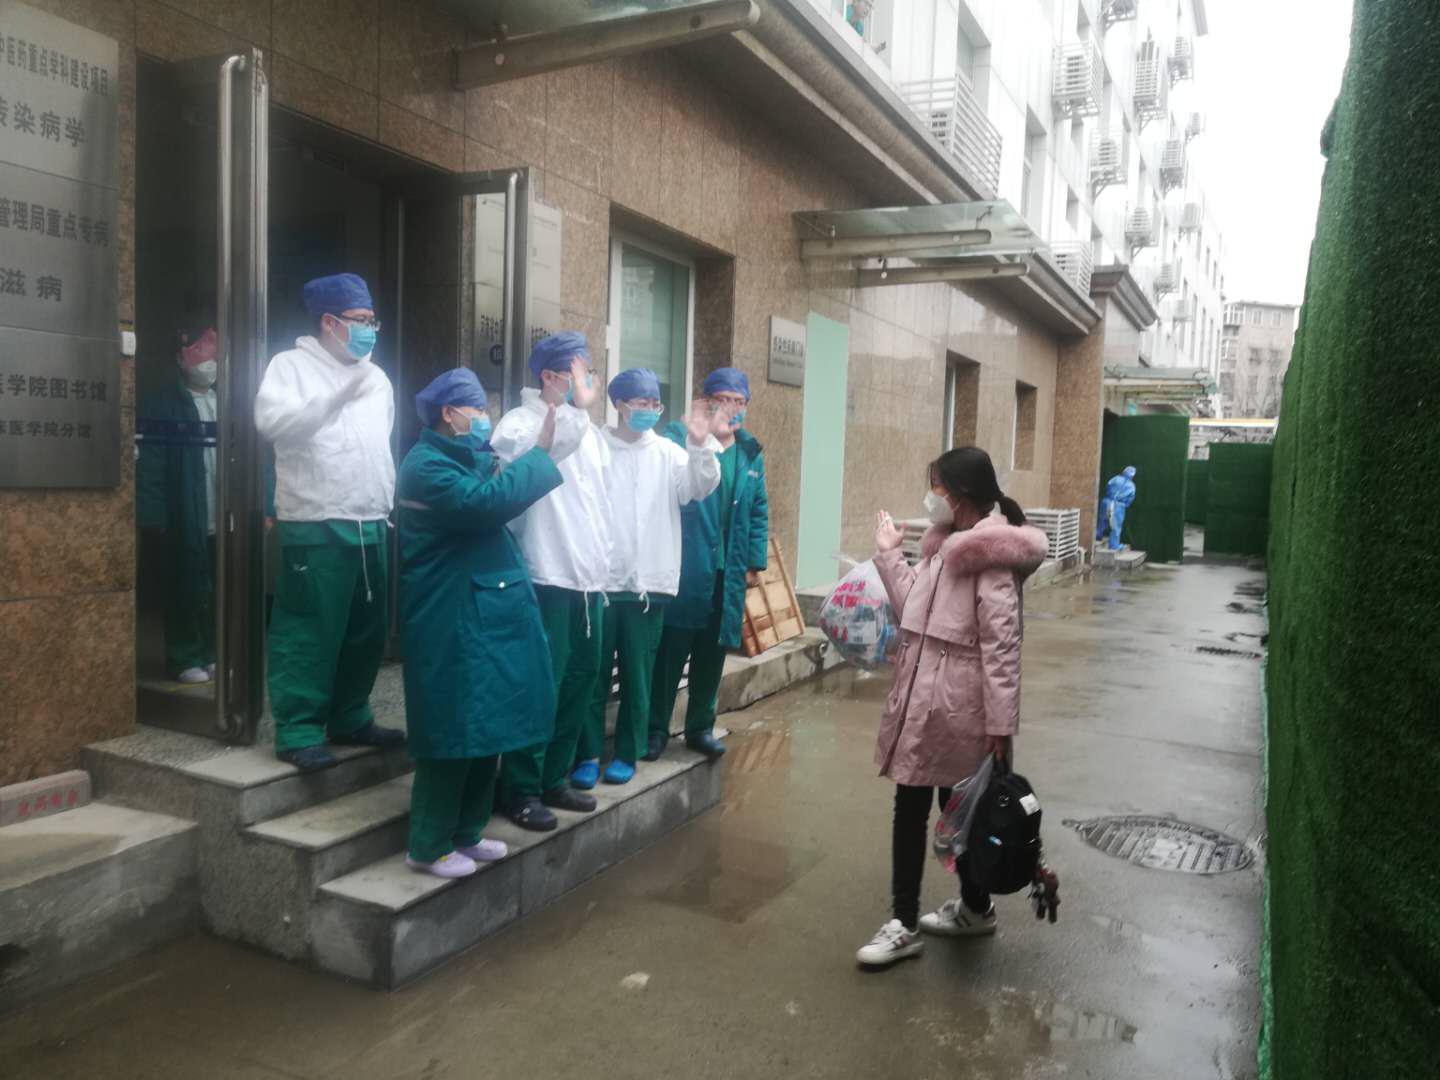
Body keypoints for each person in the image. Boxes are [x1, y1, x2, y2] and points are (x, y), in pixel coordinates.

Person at [855, 447, 1048, 968]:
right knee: (946, 810)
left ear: (960, 494)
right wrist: (889, 555)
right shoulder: (945, 546)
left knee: (948, 811)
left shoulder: (989, 557)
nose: (932, 496)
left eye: (937, 486)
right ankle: (972, 908)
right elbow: (912, 609)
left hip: (957, 711)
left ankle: (905, 923)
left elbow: (1003, 648)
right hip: (925, 703)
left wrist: (1000, 727)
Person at [396, 368, 563, 878]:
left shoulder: (466, 458)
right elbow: (484, 505)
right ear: (448, 414)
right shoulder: (425, 465)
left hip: (481, 614)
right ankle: (428, 846)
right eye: (475, 409)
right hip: (447, 616)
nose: (484, 418)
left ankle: (466, 832)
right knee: (451, 731)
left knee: (486, 726)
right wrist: (538, 455)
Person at [254, 273, 405, 772]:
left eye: (372, 321)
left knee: (365, 630)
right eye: (360, 320)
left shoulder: (376, 377)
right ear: (329, 322)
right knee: (309, 629)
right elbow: (272, 425)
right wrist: (334, 398)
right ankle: (298, 729)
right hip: (315, 521)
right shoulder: (290, 367)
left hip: (370, 521)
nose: (369, 330)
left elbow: (379, 442)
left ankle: (350, 716)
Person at [573, 368, 726, 787]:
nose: (650, 410)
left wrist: (700, 445)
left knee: (638, 676)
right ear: (619, 405)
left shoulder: (668, 453)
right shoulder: (595, 446)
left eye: (655, 404)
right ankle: (587, 754)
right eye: (641, 403)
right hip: (600, 583)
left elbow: (700, 486)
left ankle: (628, 752)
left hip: (648, 587)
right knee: (592, 674)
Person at [490, 332, 610, 831]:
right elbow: (542, 457)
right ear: (548, 376)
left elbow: (601, 505)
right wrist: (578, 411)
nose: (587, 383)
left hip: (588, 581)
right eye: (578, 374)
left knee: (581, 679)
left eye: (588, 374)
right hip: (545, 575)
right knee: (540, 685)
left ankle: (553, 777)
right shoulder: (518, 424)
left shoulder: (592, 433)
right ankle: (519, 787)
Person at [648, 367, 768, 762]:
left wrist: (753, 563)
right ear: (707, 401)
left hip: (727, 571)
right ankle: (655, 728)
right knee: (671, 650)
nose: (732, 408)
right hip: (687, 566)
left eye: (739, 401)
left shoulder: (749, 453)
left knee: (712, 652)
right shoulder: (679, 440)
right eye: (724, 400)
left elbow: (758, 511)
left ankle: (700, 726)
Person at [137, 326, 219, 684]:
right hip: (184, 510)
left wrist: (263, 505)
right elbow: (150, 462)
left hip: (222, 510)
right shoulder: (161, 404)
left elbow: (256, 457)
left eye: (214, 351)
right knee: (183, 584)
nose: (209, 360)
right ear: (179, 358)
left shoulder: (228, 400)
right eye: (200, 351)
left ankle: (213, 652)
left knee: (220, 585)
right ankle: (185, 656)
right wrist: (153, 514)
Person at [1095, 465, 1138, 551]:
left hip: (1107, 502)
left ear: (1123, 472)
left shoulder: (1115, 479)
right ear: (1132, 476)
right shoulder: (1131, 486)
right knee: (1115, 526)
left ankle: (1096, 536)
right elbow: (1130, 499)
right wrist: (1124, 504)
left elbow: (1108, 486)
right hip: (1118, 506)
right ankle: (1114, 545)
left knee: (1103, 521)